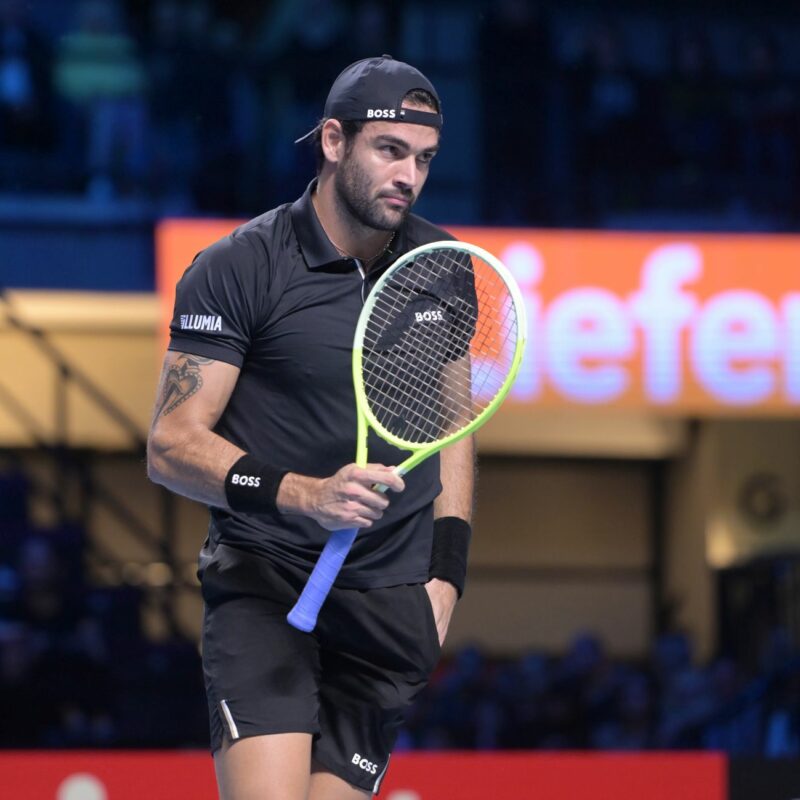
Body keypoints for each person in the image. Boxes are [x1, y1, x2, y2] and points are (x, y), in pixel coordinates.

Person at [147, 55, 474, 799]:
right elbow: (171, 444)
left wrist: (447, 577)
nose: (408, 176)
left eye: (424, 159)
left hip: (389, 602)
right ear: (333, 140)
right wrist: (305, 495)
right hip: (266, 583)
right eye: (389, 150)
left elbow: (453, 426)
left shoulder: (445, 269)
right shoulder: (238, 267)